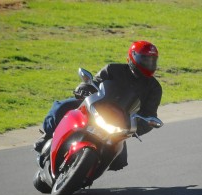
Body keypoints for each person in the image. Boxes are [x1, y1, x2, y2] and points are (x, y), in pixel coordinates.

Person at [34, 40, 162, 171]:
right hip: (96, 106)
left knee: (119, 161)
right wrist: (83, 87)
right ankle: (46, 136)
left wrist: (139, 127)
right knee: (62, 106)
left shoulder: (154, 88)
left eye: (152, 60)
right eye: (145, 59)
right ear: (132, 56)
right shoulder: (113, 69)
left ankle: (89, 171)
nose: (149, 63)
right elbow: (94, 82)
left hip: (120, 122)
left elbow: (150, 114)